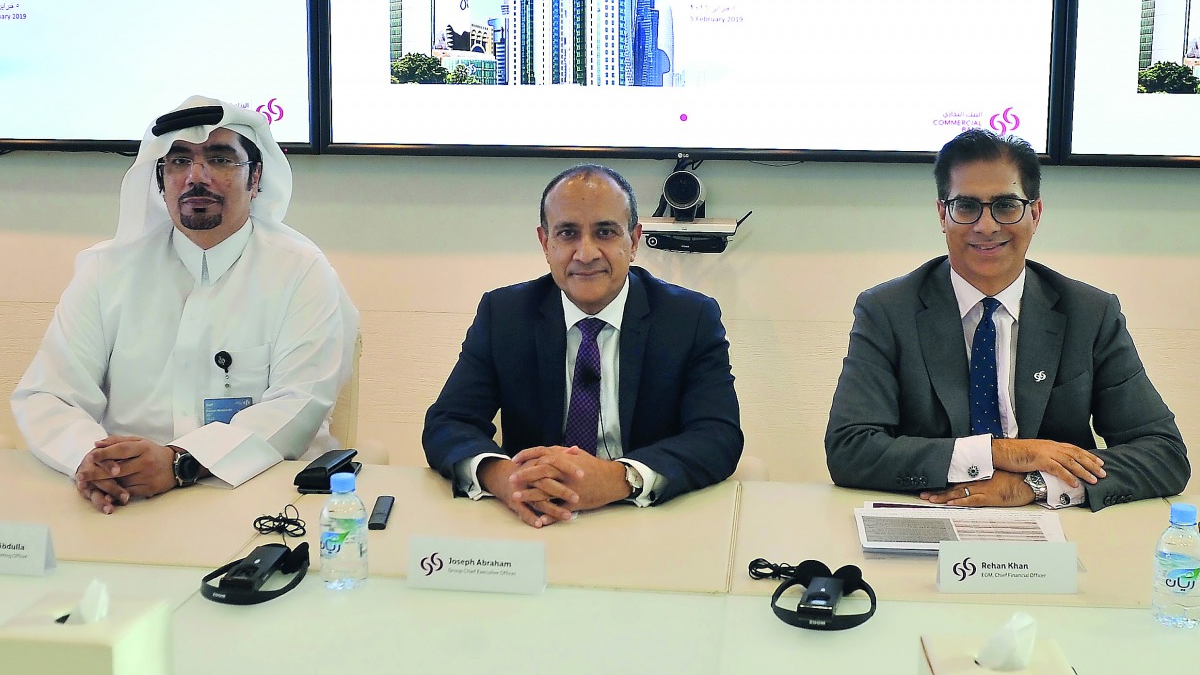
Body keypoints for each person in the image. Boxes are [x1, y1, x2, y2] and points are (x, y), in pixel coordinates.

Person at [11, 97, 359, 514]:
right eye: (178, 162)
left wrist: (181, 462)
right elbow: (50, 395)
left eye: (220, 159)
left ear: (256, 177)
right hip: (123, 502)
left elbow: (299, 404)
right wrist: (96, 462)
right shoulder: (108, 270)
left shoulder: (300, 272)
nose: (197, 176)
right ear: (160, 180)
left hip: (254, 501)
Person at [824, 129, 1189, 511]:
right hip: (929, 511)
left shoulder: (1089, 313)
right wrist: (998, 453)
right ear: (942, 214)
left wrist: (1033, 484)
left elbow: (1163, 454)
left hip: (1055, 524)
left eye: (1006, 205)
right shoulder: (887, 310)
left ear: (1035, 213)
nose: (986, 226)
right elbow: (850, 449)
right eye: (966, 206)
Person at [423, 164, 742, 528]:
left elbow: (718, 435)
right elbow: (447, 422)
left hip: (647, 519)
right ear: (545, 243)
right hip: (537, 521)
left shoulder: (689, 318)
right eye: (568, 233)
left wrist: (618, 478)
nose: (586, 252)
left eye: (605, 232)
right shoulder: (505, 315)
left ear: (633, 241)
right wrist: (506, 478)